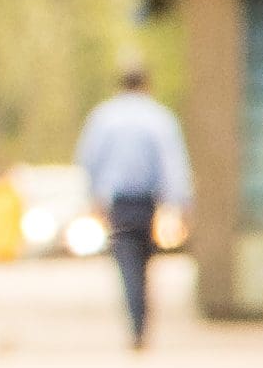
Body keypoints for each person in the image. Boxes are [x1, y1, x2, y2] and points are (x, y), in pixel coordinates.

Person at [75, 64, 193, 349]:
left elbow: (88, 159)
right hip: (148, 203)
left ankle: (136, 321)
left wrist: (93, 197)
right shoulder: (160, 118)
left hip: (119, 203)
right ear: (147, 85)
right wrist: (180, 203)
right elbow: (172, 163)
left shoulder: (104, 118)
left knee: (126, 261)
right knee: (145, 263)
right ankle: (142, 320)